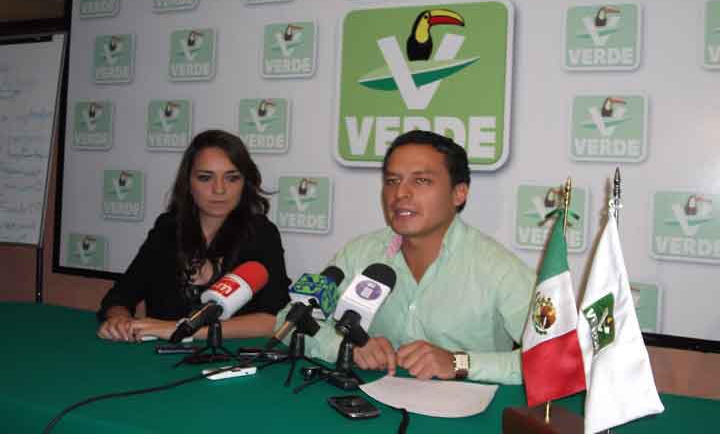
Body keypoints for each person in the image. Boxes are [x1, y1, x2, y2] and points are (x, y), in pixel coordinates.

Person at [280, 130, 535, 384]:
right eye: (392, 181)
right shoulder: (360, 253)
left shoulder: (499, 269)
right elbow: (287, 321)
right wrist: (347, 349)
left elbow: (553, 357)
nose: (400, 193)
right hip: (372, 400)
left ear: (459, 193)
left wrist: (459, 363)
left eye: (421, 180)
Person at [97, 130, 291, 342]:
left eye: (232, 178)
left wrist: (182, 330)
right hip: (159, 356)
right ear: (188, 182)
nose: (219, 189)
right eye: (205, 178)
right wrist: (119, 320)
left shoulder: (261, 233)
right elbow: (120, 296)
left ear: (245, 183)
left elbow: (274, 320)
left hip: (228, 356)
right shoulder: (167, 228)